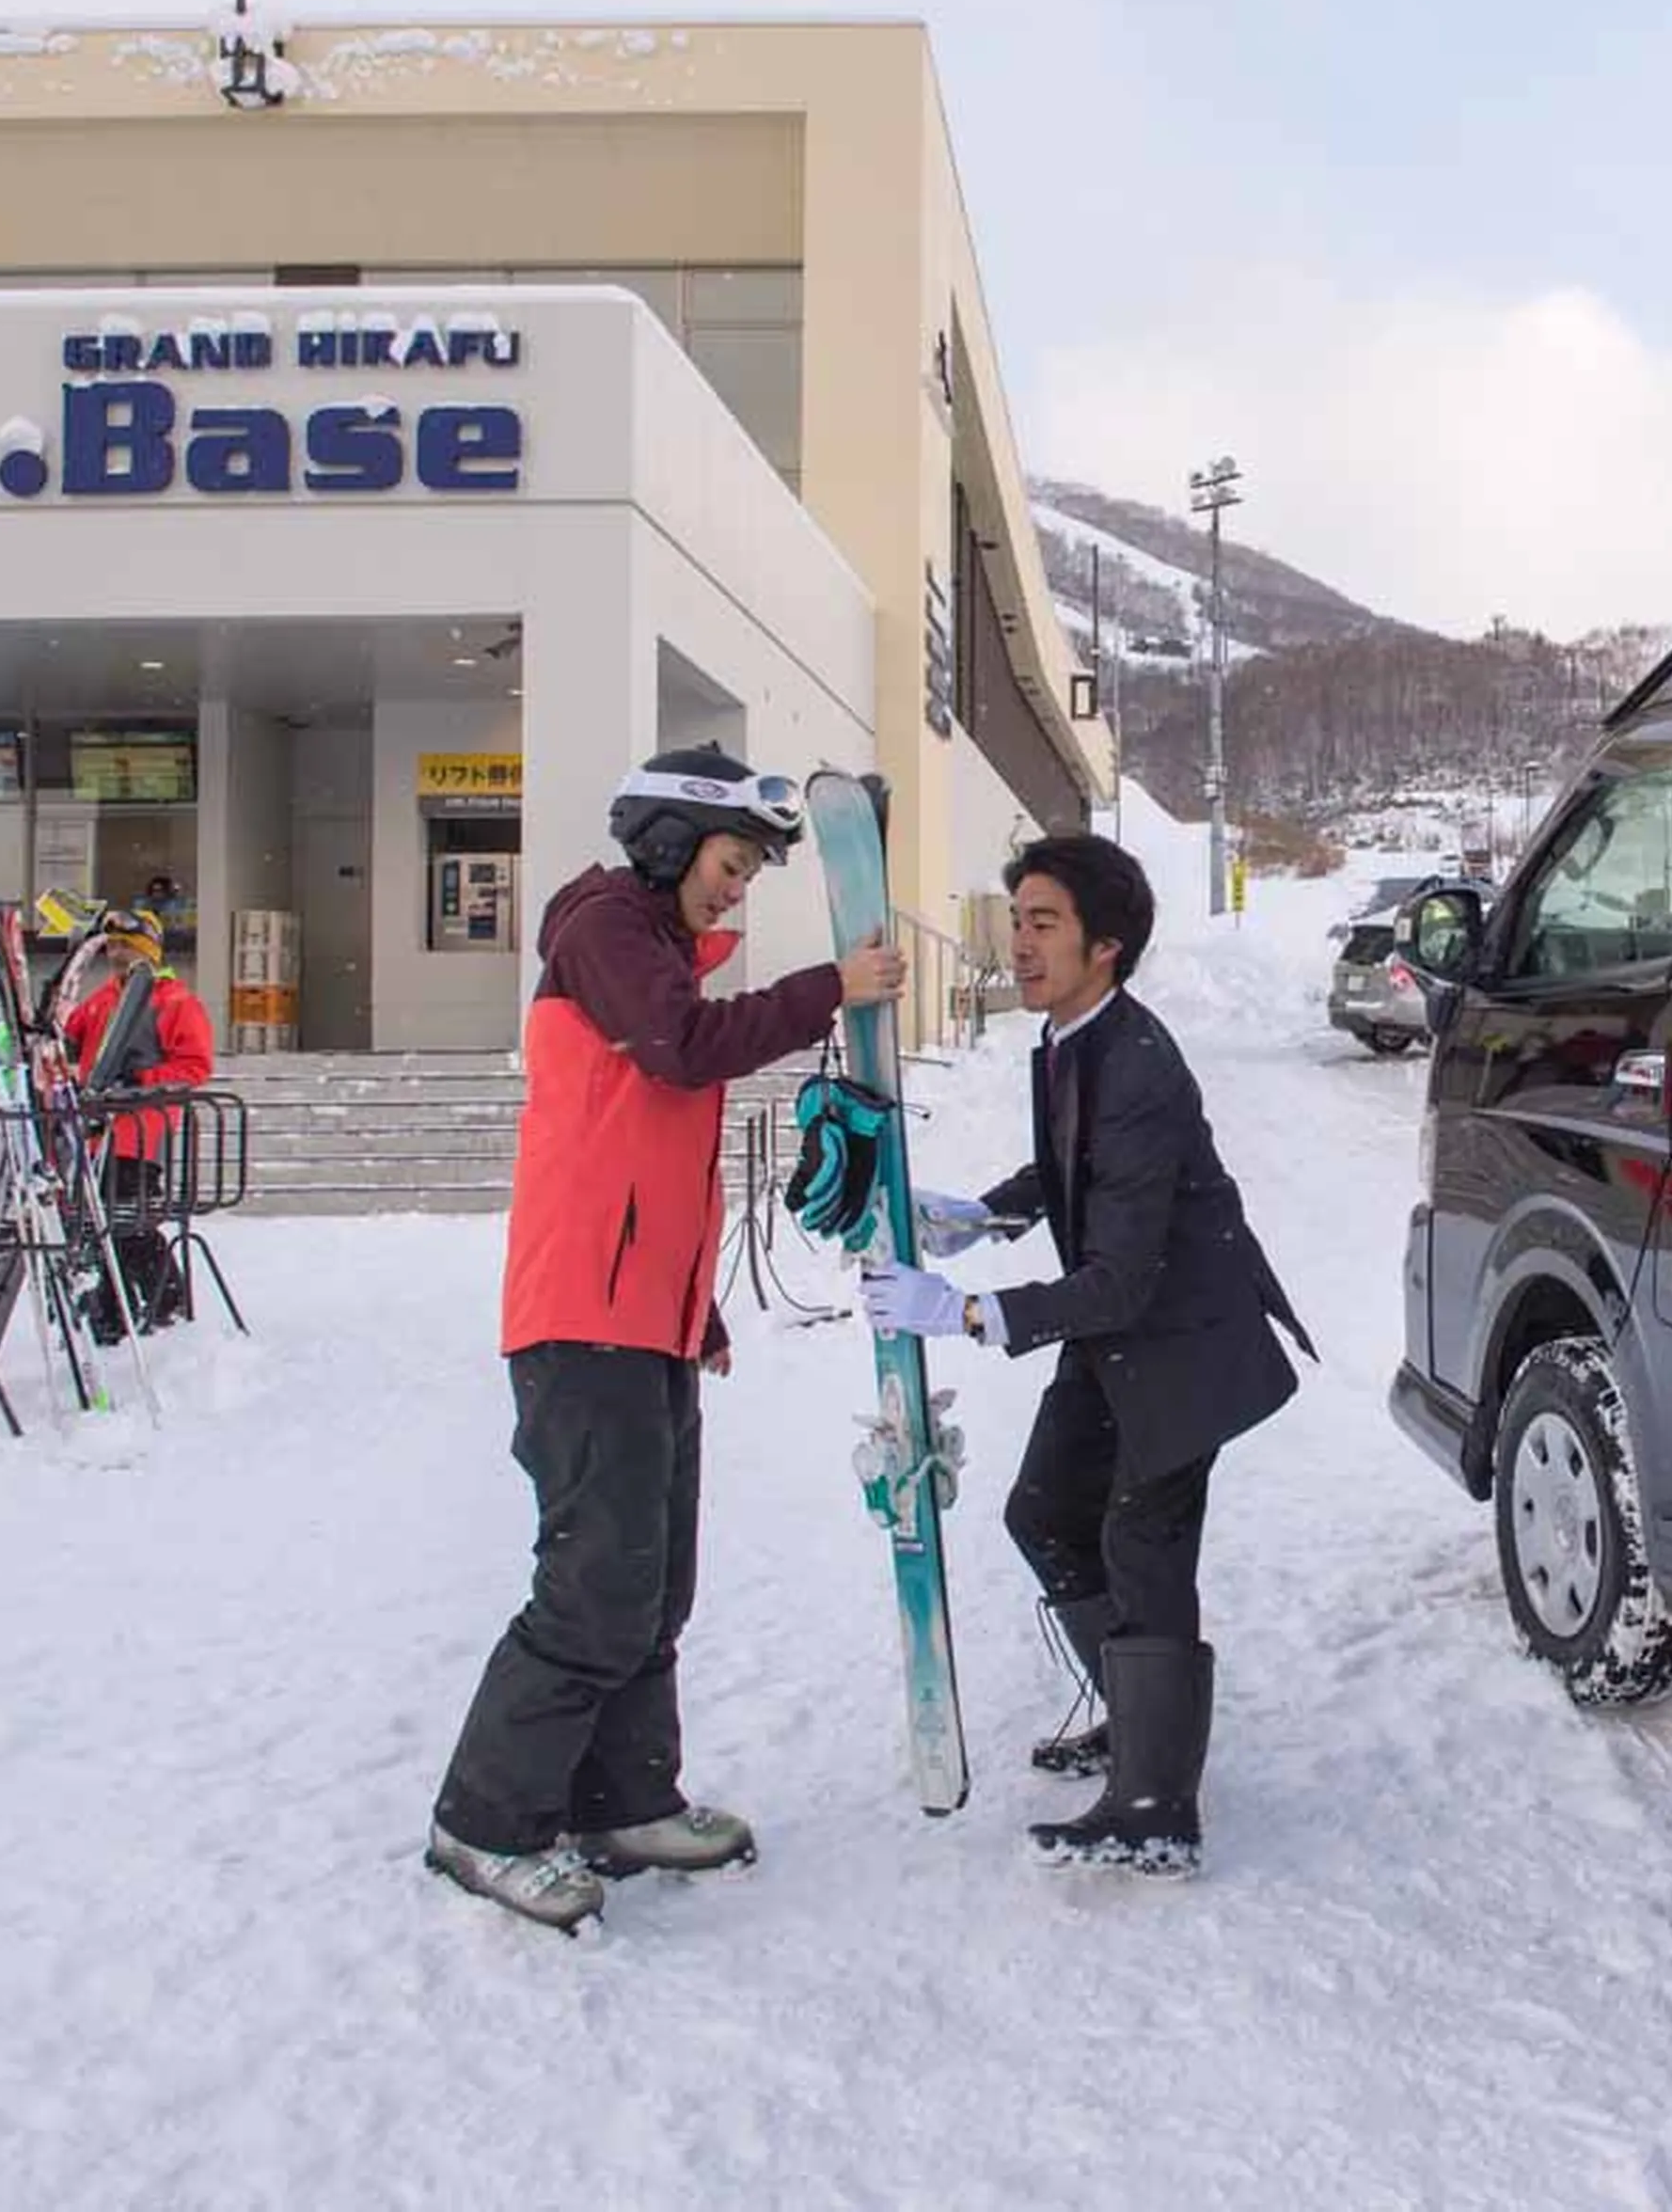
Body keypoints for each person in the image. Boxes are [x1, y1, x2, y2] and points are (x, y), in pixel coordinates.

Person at [426, 747, 905, 1934]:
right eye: (731, 865)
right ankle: (484, 1824)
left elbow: (644, 1150)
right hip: (579, 1322)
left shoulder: (645, 949)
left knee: (651, 1586)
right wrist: (827, 990)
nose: (738, 889)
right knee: (594, 1585)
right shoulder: (602, 928)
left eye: (747, 873)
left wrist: (698, 1305)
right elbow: (682, 1049)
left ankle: (624, 1802)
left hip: (642, 1320)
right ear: (669, 841)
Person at [863, 833, 1312, 1879]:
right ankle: (1136, 1721)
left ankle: (1158, 1806)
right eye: (1015, 918)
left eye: (1044, 923)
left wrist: (963, 1311)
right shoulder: (1072, 1038)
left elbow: (1118, 1277)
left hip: (1181, 1343)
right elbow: (1073, 1160)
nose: (1018, 943)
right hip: (1118, 1342)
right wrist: (988, 1211)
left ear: (1105, 946)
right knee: (1043, 1514)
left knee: (1144, 1548)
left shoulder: (1141, 1065)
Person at [61, 908, 217, 1339]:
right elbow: (71, 1037)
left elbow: (194, 1066)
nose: (117, 954)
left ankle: (164, 1306)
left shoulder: (174, 1001)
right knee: (98, 1229)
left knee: (131, 1224)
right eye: (112, 947)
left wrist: (142, 1080)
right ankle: (110, 1316)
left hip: (142, 1134)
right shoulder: (104, 998)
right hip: (95, 1135)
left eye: (126, 947)